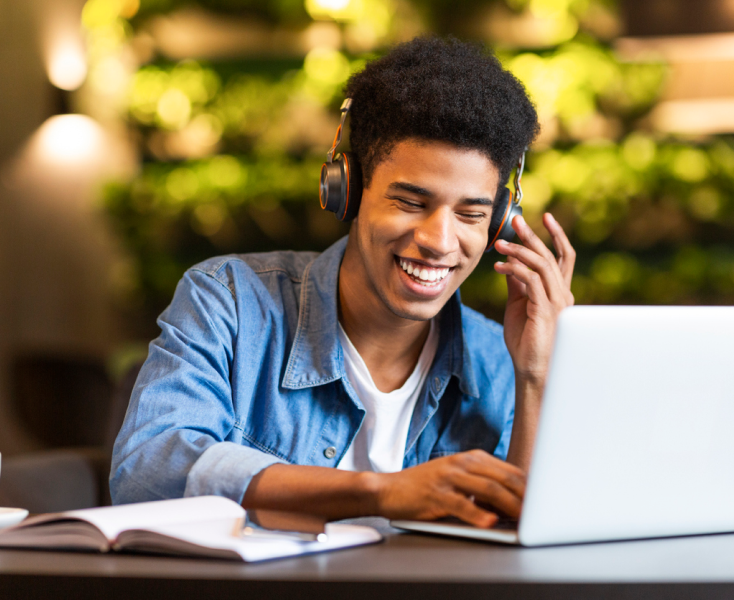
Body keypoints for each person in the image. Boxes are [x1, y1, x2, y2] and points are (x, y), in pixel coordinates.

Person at [110, 36, 575, 528]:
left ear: (499, 221)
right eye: (411, 203)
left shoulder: (499, 360)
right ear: (348, 191)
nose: (440, 241)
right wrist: (380, 493)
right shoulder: (228, 301)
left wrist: (539, 376)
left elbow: (525, 545)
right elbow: (145, 472)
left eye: (471, 213)